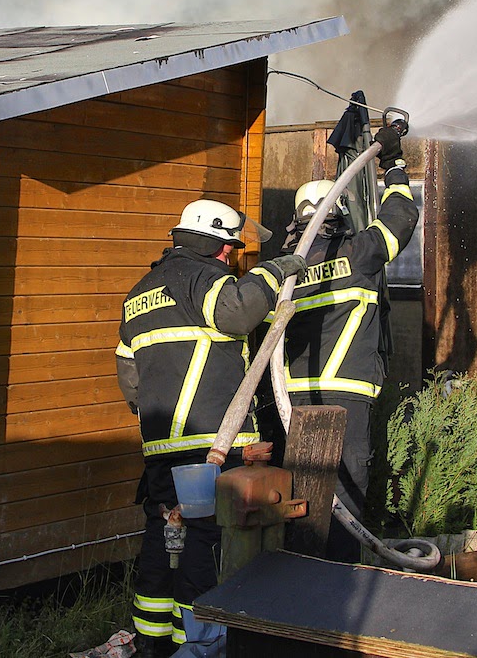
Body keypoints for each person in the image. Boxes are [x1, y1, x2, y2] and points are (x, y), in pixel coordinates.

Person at [116, 198, 307, 658]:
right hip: (211, 447)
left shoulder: (139, 293)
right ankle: (198, 646)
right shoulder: (207, 278)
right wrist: (277, 270)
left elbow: (129, 381)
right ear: (223, 248)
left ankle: (151, 643)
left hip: (161, 449)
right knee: (203, 545)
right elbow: (238, 313)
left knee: (164, 537)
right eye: (234, 252)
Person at [279, 123, 417, 561]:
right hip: (345, 394)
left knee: (299, 489)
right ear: (336, 212)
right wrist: (393, 163)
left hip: (293, 396)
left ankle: (299, 571)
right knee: (344, 492)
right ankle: (336, 584)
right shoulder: (358, 252)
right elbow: (400, 217)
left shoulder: (284, 271)